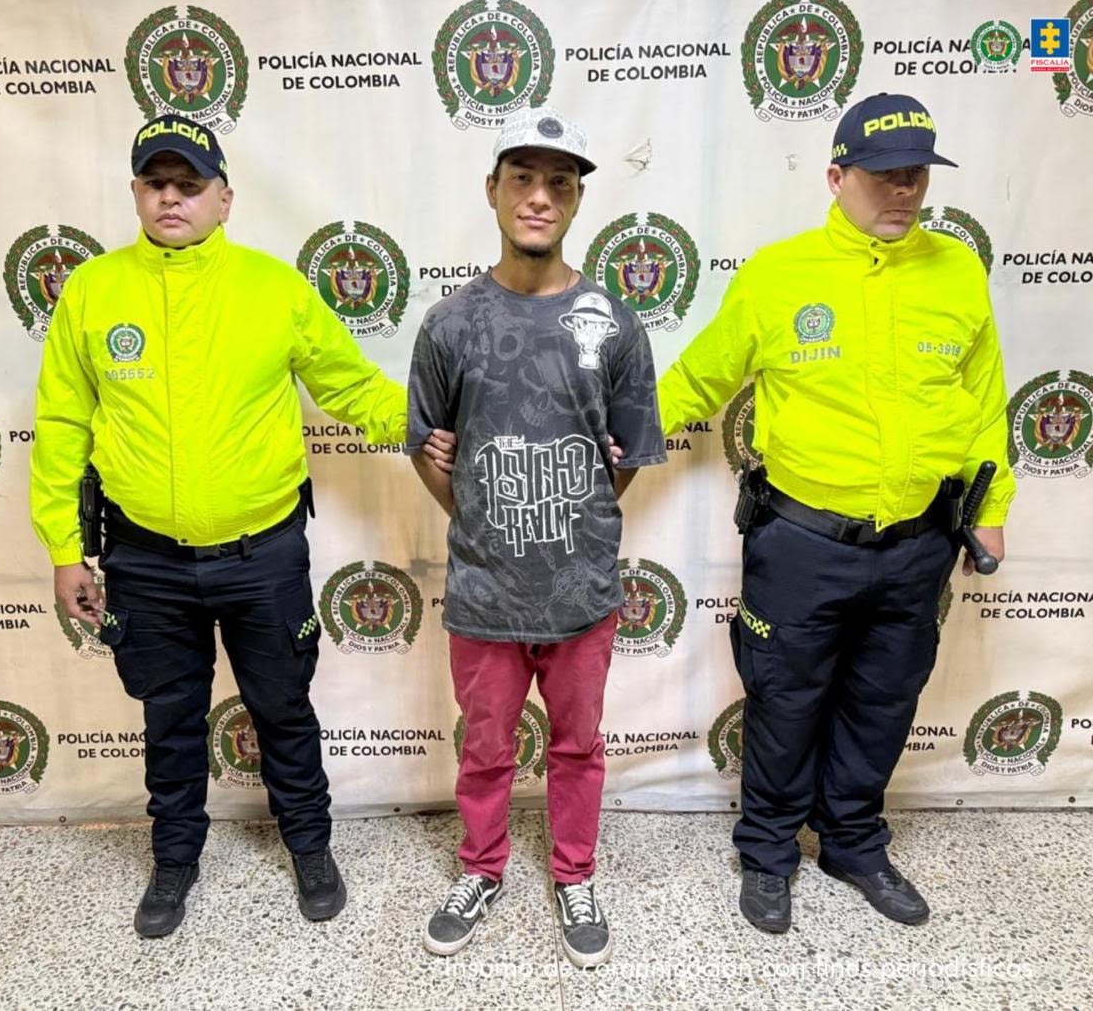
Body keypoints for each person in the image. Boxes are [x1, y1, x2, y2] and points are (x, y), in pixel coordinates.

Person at [29, 113, 409, 938]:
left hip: (262, 554)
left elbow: (353, 388)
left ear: (224, 198)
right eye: (156, 183)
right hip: (145, 560)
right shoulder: (94, 291)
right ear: (135, 191)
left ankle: (310, 845)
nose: (171, 198)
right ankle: (174, 860)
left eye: (189, 184)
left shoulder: (274, 288)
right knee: (168, 718)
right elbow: (61, 424)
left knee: (283, 708)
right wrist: (66, 549)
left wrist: (434, 421)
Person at [654, 93, 1015, 932]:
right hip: (802, 543)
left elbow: (985, 398)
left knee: (884, 699)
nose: (904, 190)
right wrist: (619, 434)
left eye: (916, 174)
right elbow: (699, 380)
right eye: (885, 174)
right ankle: (770, 849)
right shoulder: (779, 275)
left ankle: (852, 840)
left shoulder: (956, 269)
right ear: (835, 175)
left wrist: (990, 505)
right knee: (785, 700)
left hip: (919, 541)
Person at [406, 107, 665, 967]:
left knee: (577, 745)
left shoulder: (615, 321)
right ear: (493, 189)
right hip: (484, 592)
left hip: (582, 589)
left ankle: (574, 872)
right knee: (483, 745)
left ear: (578, 199)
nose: (540, 196)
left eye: (560, 181)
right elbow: (427, 448)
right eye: (523, 176)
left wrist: (573, 514)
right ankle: (480, 867)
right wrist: (485, 519)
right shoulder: (448, 324)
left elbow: (626, 453)